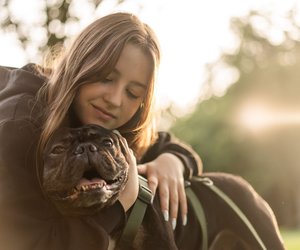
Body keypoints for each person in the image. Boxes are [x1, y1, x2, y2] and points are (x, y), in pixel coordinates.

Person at [0, 12, 202, 249]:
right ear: (80, 64)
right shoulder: (17, 124)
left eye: (133, 93)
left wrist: (172, 161)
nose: (115, 100)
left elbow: (158, 142)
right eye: (106, 78)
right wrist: (118, 207)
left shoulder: (104, 120)